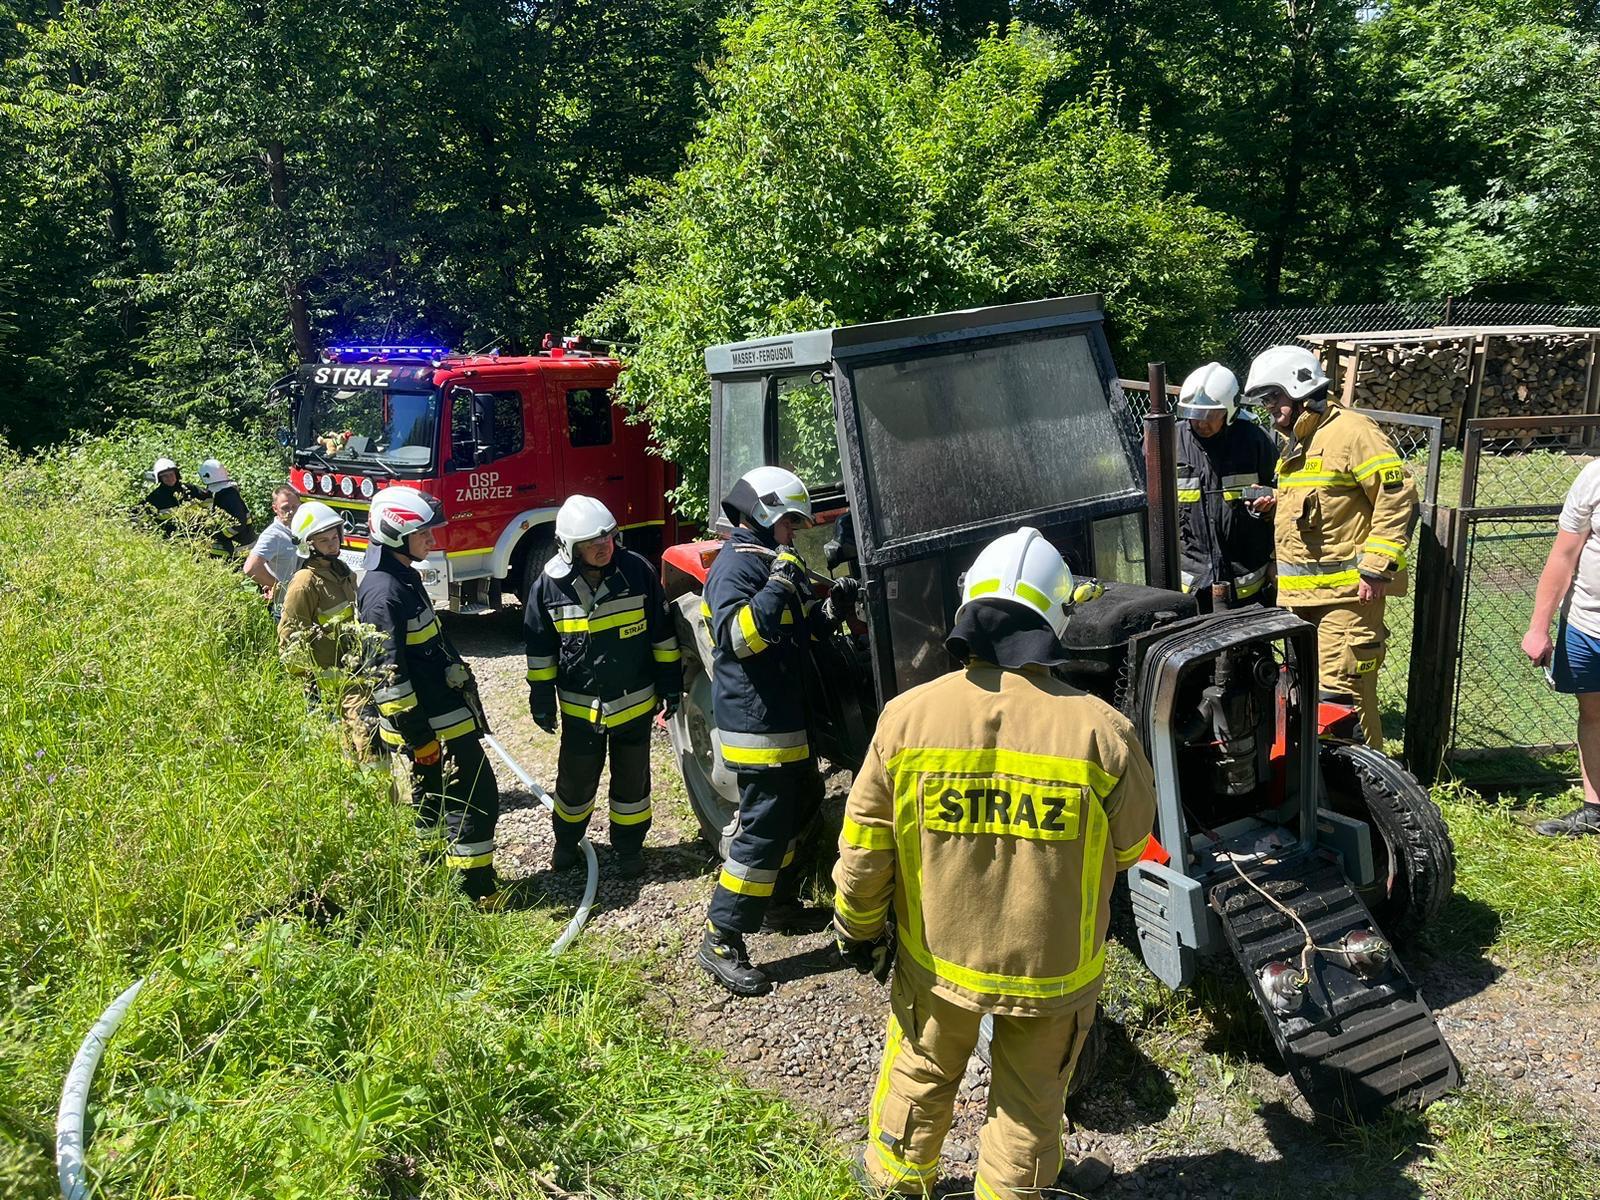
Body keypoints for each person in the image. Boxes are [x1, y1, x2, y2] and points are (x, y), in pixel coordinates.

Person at [833, 527, 1156, 1199]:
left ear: (968, 608)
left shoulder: (906, 718)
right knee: (1030, 1106)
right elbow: (1130, 849)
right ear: (1056, 618)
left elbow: (864, 847)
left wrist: (857, 928)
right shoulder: (1104, 733)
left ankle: (896, 1183)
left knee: (921, 1073)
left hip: (937, 961)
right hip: (1052, 973)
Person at [697, 465, 861, 996]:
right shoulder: (736, 566)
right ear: (765, 515)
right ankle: (721, 937)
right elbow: (740, 639)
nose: (793, 534)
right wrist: (779, 584)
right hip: (758, 728)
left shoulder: (771, 562)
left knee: (801, 810)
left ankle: (777, 905)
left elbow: (799, 630)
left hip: (787, 723)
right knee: (765, 829)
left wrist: (832, 607)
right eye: (790, 523)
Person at [1243, 345, 1417, 751]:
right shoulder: (1301, 441)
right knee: (1308, 697)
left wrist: (1377, 566)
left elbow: (1397, 494)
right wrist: (1276, 503)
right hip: (1302, 600)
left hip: (1348, 600)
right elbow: (1325, 505)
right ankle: (1322, 782)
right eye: (1265, 400)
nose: (1270, 408)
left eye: (1273, 397)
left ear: (1299, 389)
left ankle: (1370, 785)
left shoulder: (1352, 432)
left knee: (1341, 703)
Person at [357, 485, 503, 907]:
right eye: (422, 533)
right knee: (473, 798)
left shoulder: (403, 576)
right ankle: (474, 891)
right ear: (395, 535)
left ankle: (438, 885)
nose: (431, 539)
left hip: (438, 720)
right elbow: (387, 678)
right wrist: (420, 738)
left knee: (434, 805)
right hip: (430, 727)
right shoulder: (384, 593)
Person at [524, 495, 682, 878]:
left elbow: (662, 636)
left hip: (634, 707)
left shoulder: (637, 573)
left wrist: (671, 684)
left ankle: (629, 850)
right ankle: (566, 843)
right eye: (592, 542)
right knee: (574, 785)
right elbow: (540, 650)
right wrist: (541, 698)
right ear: (569, 548)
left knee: (633, 785)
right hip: (581, 713)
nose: (604, 546)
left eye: (608, 537)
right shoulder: (548, 587)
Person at [1522, 460, 1600, 836]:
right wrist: (1539, 627)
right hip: (1587, 623)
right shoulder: (1594, 476)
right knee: (1593, 712)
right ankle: (1594, 811)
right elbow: (1563, 555)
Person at [1174, 362, 1278, 612]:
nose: (1202, 423)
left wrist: (1269, 504)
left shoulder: (1254, 441)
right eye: (1195, 414)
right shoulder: (1168, 442)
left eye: (1211, 415)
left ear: (1230, 412)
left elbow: (1283, 494)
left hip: (1245, 582)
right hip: (1190, 584)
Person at [277, 500, 372, 760]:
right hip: (329, 685)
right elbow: (289, 637)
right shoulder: (305, 582)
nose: (333, 545)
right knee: (362, 739)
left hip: (356, 671)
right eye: (324, 540)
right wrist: (309, 685)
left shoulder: (342, 572)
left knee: (362, 740)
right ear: (308, 545)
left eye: (335, 537)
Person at [245, 486, 303, 611]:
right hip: (285, 606)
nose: (291, 512)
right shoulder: (273, 535)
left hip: (303, 601)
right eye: (285, 508)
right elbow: (251, 567)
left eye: (295, 507)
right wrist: (277, 586)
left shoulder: (301, 529)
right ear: (275, 508)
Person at [197, 458, 256, 558]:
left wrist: (219, 535)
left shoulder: (227, 496)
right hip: (241, 546)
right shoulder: (227, 493)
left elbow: (238, 524)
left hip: (239, 550)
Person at [142, 456, 210, 530]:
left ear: (176, 474)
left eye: (171, 474)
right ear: (160, 478)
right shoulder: (155, 497)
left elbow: (209, 497)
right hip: (172, 535)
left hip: (196, 531)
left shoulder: (189, 489)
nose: (169, 478)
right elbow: (138, 514)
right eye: (165, 476)